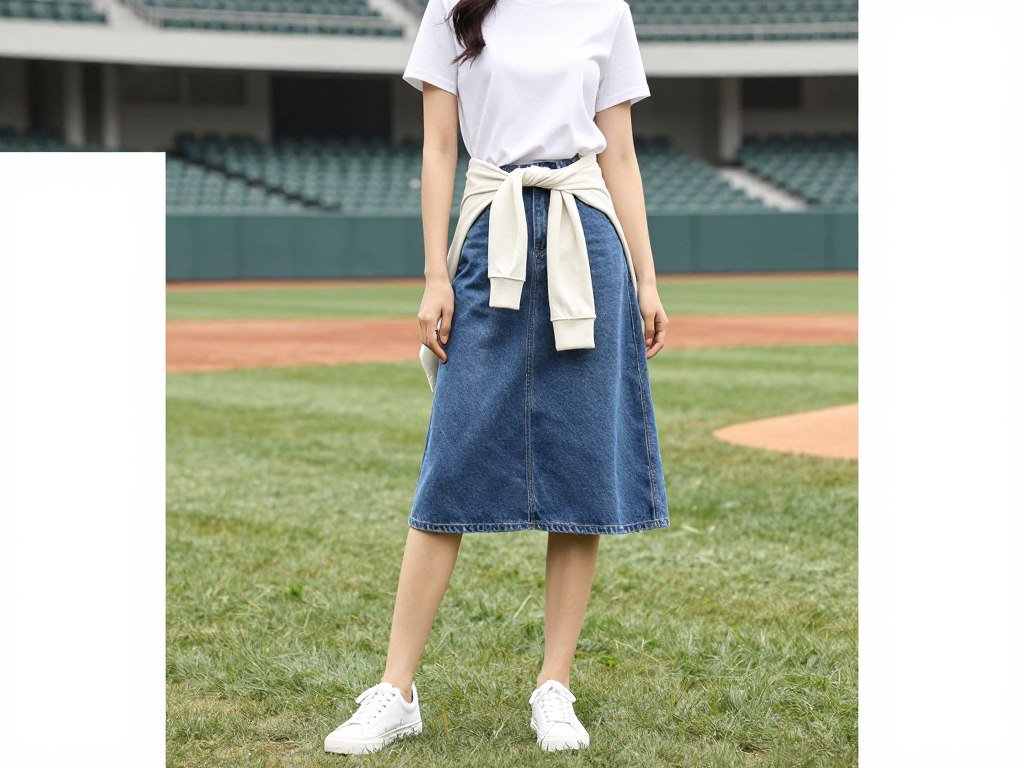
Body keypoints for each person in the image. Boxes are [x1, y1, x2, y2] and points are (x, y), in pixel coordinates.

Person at [325, 0, 670, 755]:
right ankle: (396, 690)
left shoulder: (605, 10)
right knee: (451, 459)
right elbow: (439, 149)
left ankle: (555, 685)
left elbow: (620, 155)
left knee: (581, 463)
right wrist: (433, 276)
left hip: (589, 237)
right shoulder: (452, 8)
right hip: (490, 234)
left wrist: (645, 276)